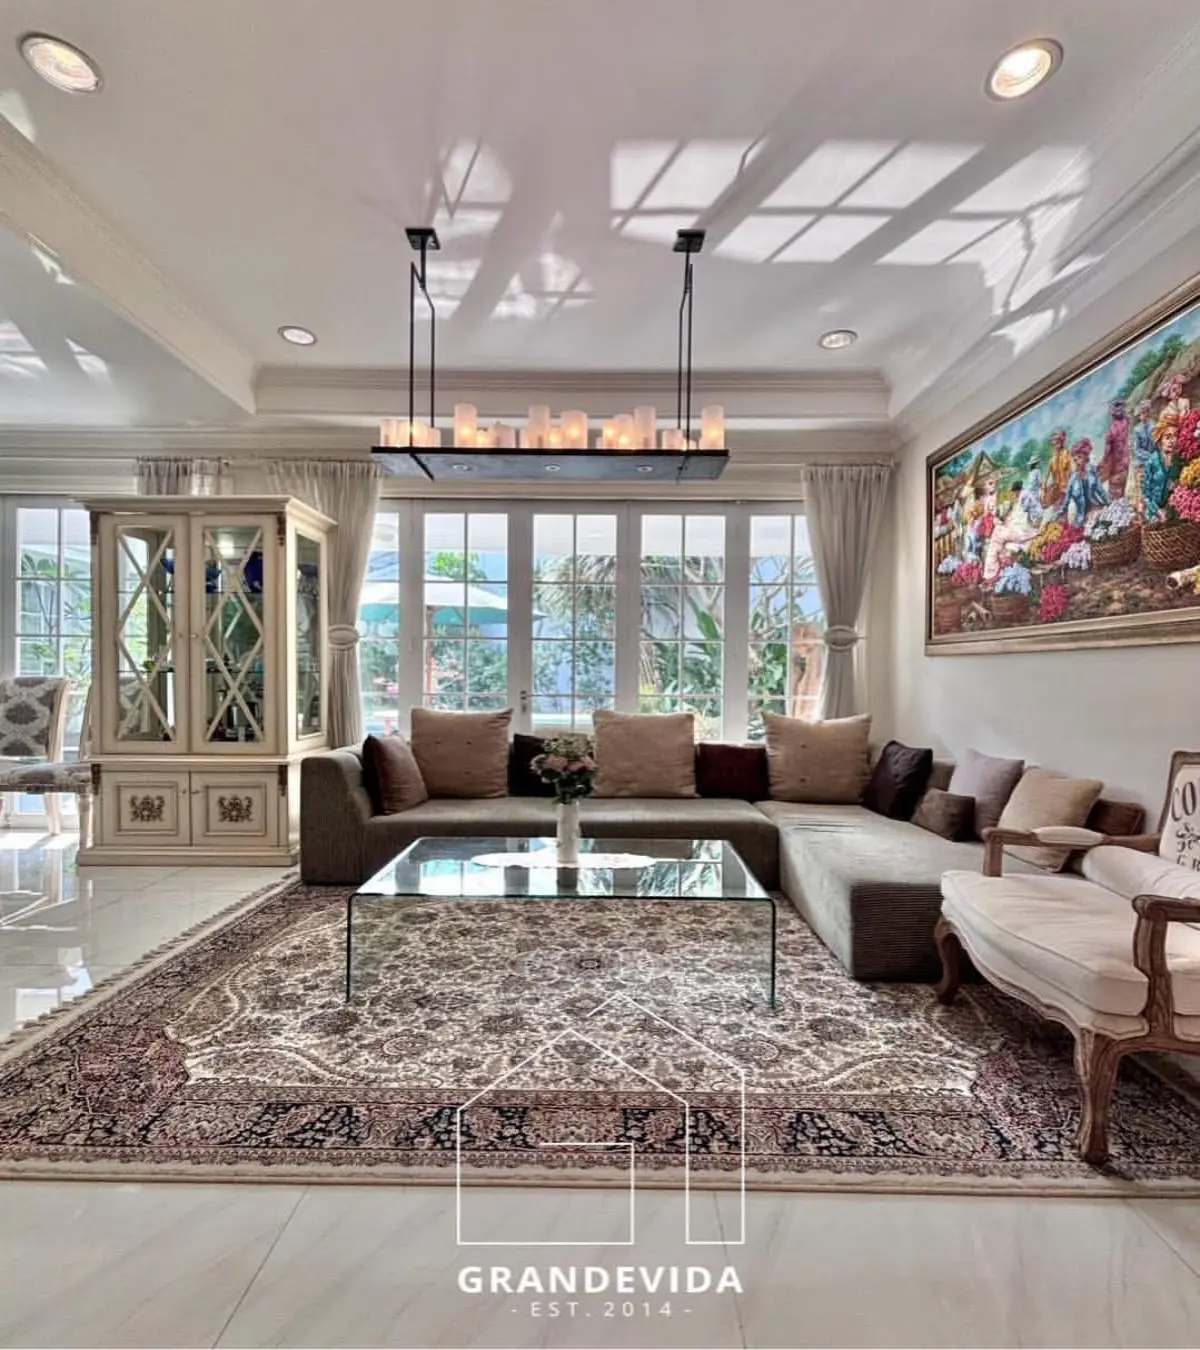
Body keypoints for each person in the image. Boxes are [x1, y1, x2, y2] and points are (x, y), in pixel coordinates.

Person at [1134, 400, 1169, 522]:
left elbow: (1157, 443)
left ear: (1148, 413)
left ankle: (1158, 511)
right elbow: (1137, 449)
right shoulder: (1137, 430)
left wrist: (1156, 456)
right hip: (1142, 462)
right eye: (1141, 414)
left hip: (1155, 459)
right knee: (1143, 490)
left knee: (1158, 483)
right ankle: (1143, 517)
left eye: (1145, 413)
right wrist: (1149, 456)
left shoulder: (1154, 425)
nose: (1143, 416)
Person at [1061, 438, 1109, 526]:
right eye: (1075, 460)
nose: (1077, 462)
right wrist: (1060, 515)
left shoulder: (1092, 472)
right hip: (1082, 518)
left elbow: (1101, 491)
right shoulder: (1073, 479)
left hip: (1096, 509)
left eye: (1080, 457)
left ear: (1086, 457)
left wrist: (1110, 505)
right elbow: (1066, 501)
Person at [1098, 397, 1131, 497]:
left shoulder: (1115, 428)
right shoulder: (1123, 423)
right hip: (1123, 465)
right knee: (1120, 493)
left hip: (1119, 467)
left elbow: (1107, 452)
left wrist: (1102, 463)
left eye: (1119, 406)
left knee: (1117, 493)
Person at [1040, 430, 1072, 511]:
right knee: (1045, 504)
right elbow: (1046, 477)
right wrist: (1043, 489)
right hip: (1057, 489)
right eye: (1054, 442)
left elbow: (1072, 472)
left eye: (1057, 441)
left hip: (1067, 487)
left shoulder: (1067, 454)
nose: (1055, 444)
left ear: (1061, 442)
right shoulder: (1052, 460)